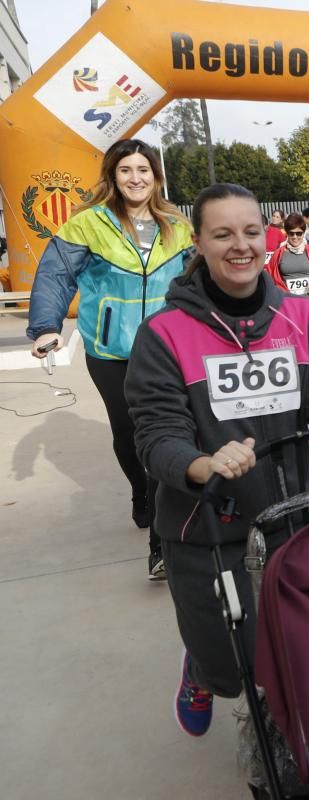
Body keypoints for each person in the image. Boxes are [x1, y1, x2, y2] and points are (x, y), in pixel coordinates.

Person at [124, 182, 309, 737]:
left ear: (266, 238)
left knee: (303, 645)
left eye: (251, 232)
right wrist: (205, 464)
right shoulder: (163, 333)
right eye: (222, 234)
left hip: (293, 513)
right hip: (205, 523)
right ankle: (201, 670)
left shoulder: (301, 316)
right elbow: (157, 437)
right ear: (198, 243)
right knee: (230, 667)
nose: (241, 245)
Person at [27, 138, 193, 579]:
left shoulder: (177, 225)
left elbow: (201, 278)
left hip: (163, 350)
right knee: (128, 433)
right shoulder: (88, 224)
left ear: (155, 176)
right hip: (108, 351)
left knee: (161, 433)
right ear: (113, 177)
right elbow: (56, 275)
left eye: (143, 170)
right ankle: (140, 493)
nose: (135, 178)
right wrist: (45, 326)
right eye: (126, 170)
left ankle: (161, 544)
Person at [264, 212, 309, 297]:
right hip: (286, 301)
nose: (295, 237)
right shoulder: (278, 253)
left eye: (299, 233)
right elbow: (269, 275)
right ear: (287, 233)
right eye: (291, 233)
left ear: (303, 233)